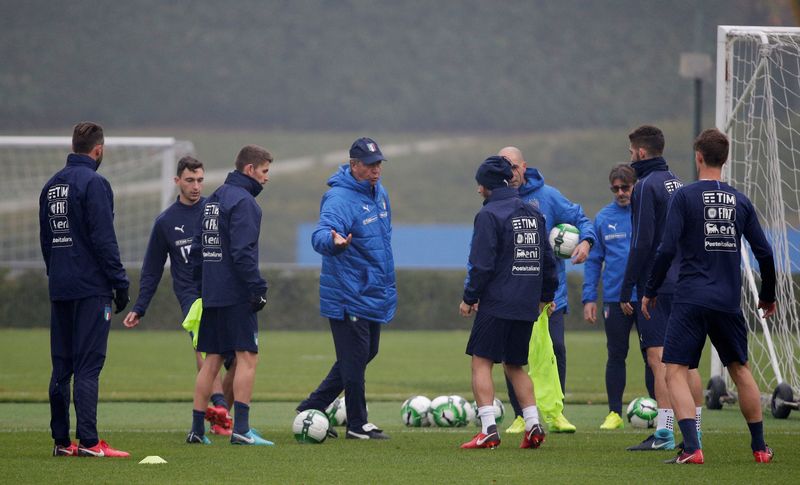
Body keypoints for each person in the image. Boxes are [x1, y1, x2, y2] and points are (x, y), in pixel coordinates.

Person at [642, 128, 776, 464]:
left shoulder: (684, 197)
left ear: (698, 157)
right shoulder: (740, 201)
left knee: (674, 370)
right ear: (724, 158)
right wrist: (768, 295)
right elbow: (765, 253)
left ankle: (691, 448)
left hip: (689, 299)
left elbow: (666, 249)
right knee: (740, 369)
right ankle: (760, 448)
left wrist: (651, 289)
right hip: (727, 301)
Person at [123, 156, 234, 435]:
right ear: (177, 181)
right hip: (190, 295)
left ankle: (221, 416)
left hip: (220, 290)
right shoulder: (166, 222)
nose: (196, 186)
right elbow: (151, 269)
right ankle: (218, 403)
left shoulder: (214, 211)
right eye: (189, 180)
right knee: (205, 346)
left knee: (235, 359)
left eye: (199, 180)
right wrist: (140, 306)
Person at [39, 121, 131, 457]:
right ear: (98, 149)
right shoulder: (94, 183)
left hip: (60, 286)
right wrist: (120, 284)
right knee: (89, 365)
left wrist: (57, 275)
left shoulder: (51, 186)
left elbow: (46, 241)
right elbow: (104, 239)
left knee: (62, 366)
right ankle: (90, 442)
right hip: (91, 288)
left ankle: (62, 442)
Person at [296, 137, 396, 440]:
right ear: (354, 165)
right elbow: (320, 234)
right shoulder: (339, 198)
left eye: (378, 163)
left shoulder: (380, 193)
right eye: (369, 164)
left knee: (367, 352)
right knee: (354, 357)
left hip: (371, 290)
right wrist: (334, 242)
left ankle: (312, 406)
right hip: (347, 293)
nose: (376, 169)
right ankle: (357, 423)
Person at [459, 155, 558, 450]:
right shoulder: (533, 213)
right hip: (526, 304)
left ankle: (488, 428)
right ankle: (533, 424)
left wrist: (469, 297)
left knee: (481, 361)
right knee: (516, 365)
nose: (478, 190)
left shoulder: (489, 215)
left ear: (487, 186)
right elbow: (548, 261)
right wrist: (546, 296)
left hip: (497, 302)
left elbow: (482, 264)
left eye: (480, 185)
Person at [498, 146, 595, 434]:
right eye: (504, 167)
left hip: (551, 296)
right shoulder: (498, 199)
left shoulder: (549, 196)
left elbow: (581, 218)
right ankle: (520, 415)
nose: (510, 172)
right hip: (514, 293)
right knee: (514, 355)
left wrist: (586, 241)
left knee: (556, 351)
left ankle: (556, 413)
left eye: (513, 166)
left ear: (524, 166)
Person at [619, 125, 703, 451]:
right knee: (687, 363)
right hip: (685, 282)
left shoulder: (646, 186)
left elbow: (642, 243)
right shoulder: (678, 183)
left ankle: (664, 434)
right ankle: (694, 432)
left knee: (659, 360)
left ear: (640, 152)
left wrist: (629, 286)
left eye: (631, 153)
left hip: (658, 285)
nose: (630, 158)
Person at [186, 145, 272, 446]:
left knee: (211, 360)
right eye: (264, 171)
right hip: (236, 294)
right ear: (249, 170)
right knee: (248, 357)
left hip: (212, 293)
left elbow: (196, 251)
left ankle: (197, 431)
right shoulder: (245, 202)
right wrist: (257, 287)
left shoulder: (212, 200)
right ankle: (242, 430)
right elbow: (242, 252)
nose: (266, 178)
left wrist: (203, 287)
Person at [582, 164, 655, 430]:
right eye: (615, 189)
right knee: (616, 354)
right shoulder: (603, 218)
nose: (621, 193)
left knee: (653, 356)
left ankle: (657, 407)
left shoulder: (648, 214)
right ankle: (614, 413)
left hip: (647, 297)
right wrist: (589, 297)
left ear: (635, 185)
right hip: (614, 298)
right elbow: (594, 260)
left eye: (625, 187)